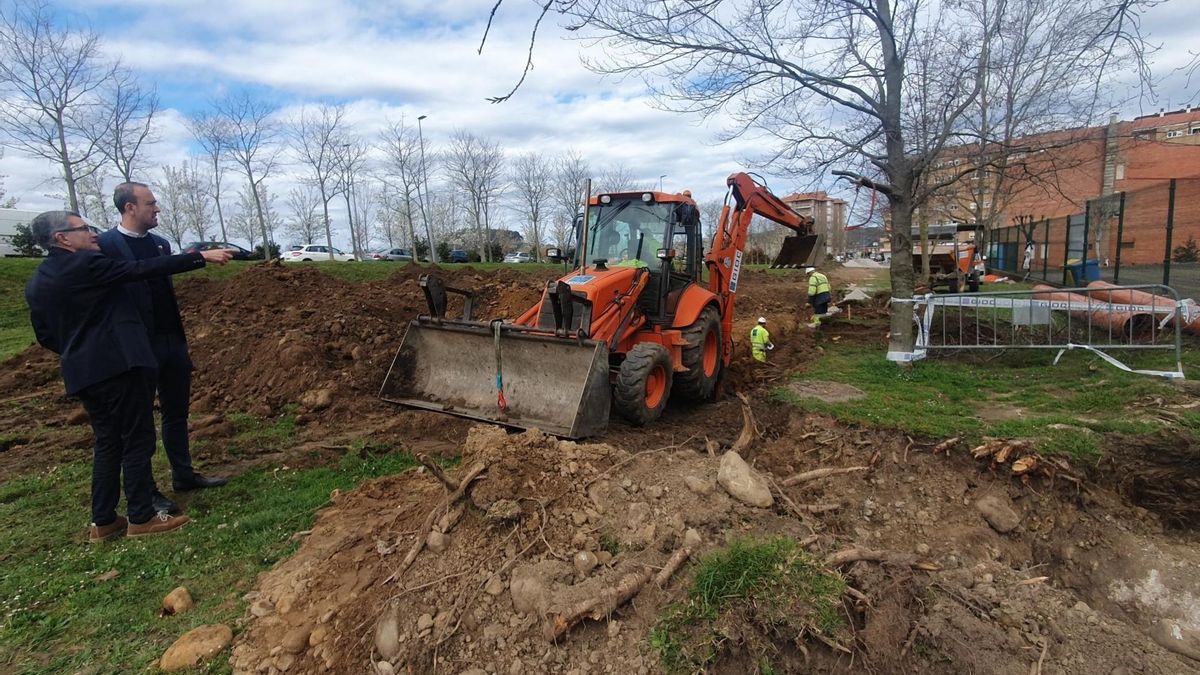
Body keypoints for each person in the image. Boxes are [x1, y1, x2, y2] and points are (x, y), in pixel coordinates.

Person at [25, 211, 233, 541]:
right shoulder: (85, 265)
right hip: (119, 366)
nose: (93, 234)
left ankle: (104, 521)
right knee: (137, 440)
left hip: (84, 372)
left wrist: (81, 352)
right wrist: (199, 256)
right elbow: (140, 269)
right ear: (62, 239)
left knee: (107, 443)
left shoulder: (37, 282)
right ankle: (141, 517)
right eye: (83, 229)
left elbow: (46, 335)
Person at [99, 182, 227, 511]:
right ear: (129, 207)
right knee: (138, 425)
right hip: (136, 348)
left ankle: (183, 474)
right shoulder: (106, 245)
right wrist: (197, 257)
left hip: (171, 341)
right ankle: (146, 493)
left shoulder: (160, 244)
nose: (157, 209)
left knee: (176, 413)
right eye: (151, 203)